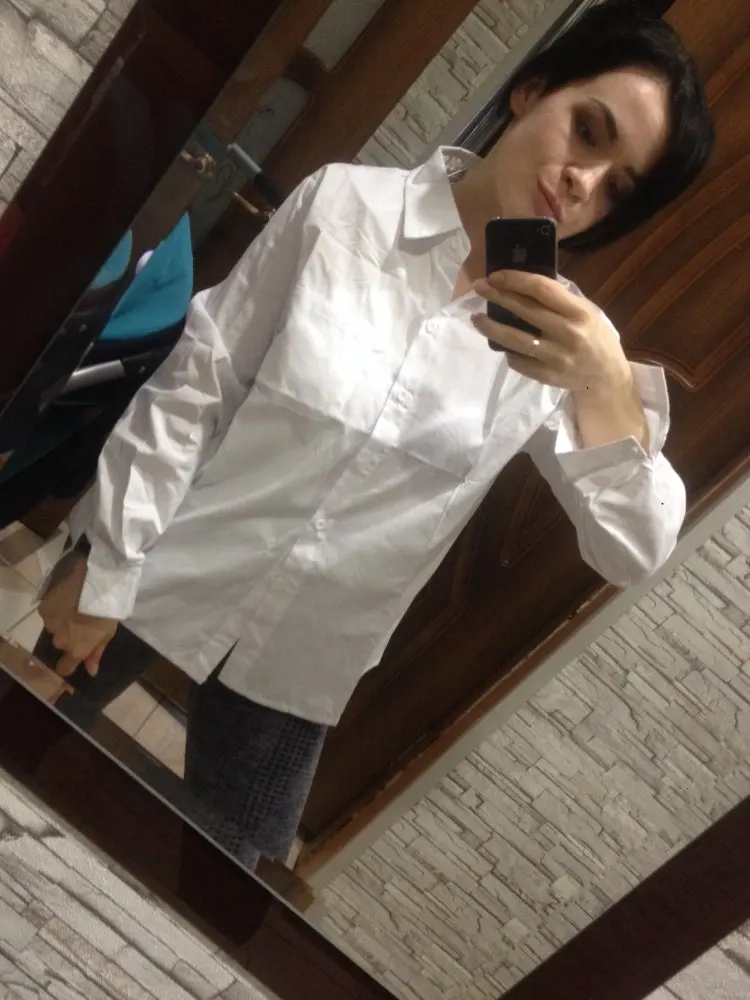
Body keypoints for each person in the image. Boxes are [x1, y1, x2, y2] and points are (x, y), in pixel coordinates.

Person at [37, 4, 715, 872]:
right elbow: (201, 384)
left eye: (619, 186)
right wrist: (107, 555)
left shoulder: (562, 347)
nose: (585, 182)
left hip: (296, 666)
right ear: (532, 90)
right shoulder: (345, 206)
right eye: (588, 131)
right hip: (161, 565)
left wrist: (609, 385)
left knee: (220, 898)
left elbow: (635, 550)